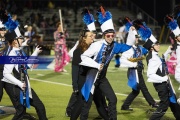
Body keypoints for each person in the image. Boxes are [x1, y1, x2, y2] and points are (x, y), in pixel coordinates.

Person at [77, 6, 131, 120]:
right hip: (91, 77)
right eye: (108, 35)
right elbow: (83, 57)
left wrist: (146, 46)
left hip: (102, 79)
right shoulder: (97, 45)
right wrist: (96, 65)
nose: (111, 37)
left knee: (113, 99)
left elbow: (128, 47)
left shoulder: (115, 46)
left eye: (112, 35)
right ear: (104, 35)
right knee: (86, 104)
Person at [67, 8, 108, 119]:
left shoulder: (94, 46)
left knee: (97, 100)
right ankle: (70, 111)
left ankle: (107, 115)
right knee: (83, 102)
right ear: (85, 37)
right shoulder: (78, 49)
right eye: (91, 35)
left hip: (94, 77)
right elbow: (74, 65)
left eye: (94, 34)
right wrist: (75, 85)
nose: (94, 36)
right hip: (83, 78)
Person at [2, 27, 48, 120]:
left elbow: (28, 65)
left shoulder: (19, 52)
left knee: (40, 107)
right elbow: (6, 73)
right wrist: (19, 83)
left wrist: (35, 52)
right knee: (20, 113)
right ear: (15, 41)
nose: (22, 39)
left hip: (26, 85)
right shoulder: (12, 54)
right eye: (19, 38)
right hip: (19, 88)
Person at [120, 26, 158, 111]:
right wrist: (134, 64)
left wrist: (146, 32)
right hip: (134, 71)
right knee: (143, 88)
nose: (137, 39)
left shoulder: (139, 48)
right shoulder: (129, 49)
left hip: (139, 71)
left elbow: (151, 43)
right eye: (136, 37)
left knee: (136, 91)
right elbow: (122, 60)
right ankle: (152, 103)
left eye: (137, 37)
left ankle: (125, 106)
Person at [146, 41, 180, 120]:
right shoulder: (153, 59)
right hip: (161, 84)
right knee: (164, 104)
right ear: (151, 48)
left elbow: (161, 61)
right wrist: (163, 78)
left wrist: (168, 50)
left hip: (165, 83)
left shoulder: (154, 56)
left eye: (158, 44)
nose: (158, 46)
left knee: (173, 101)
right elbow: (150, 74)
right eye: (156, 45)